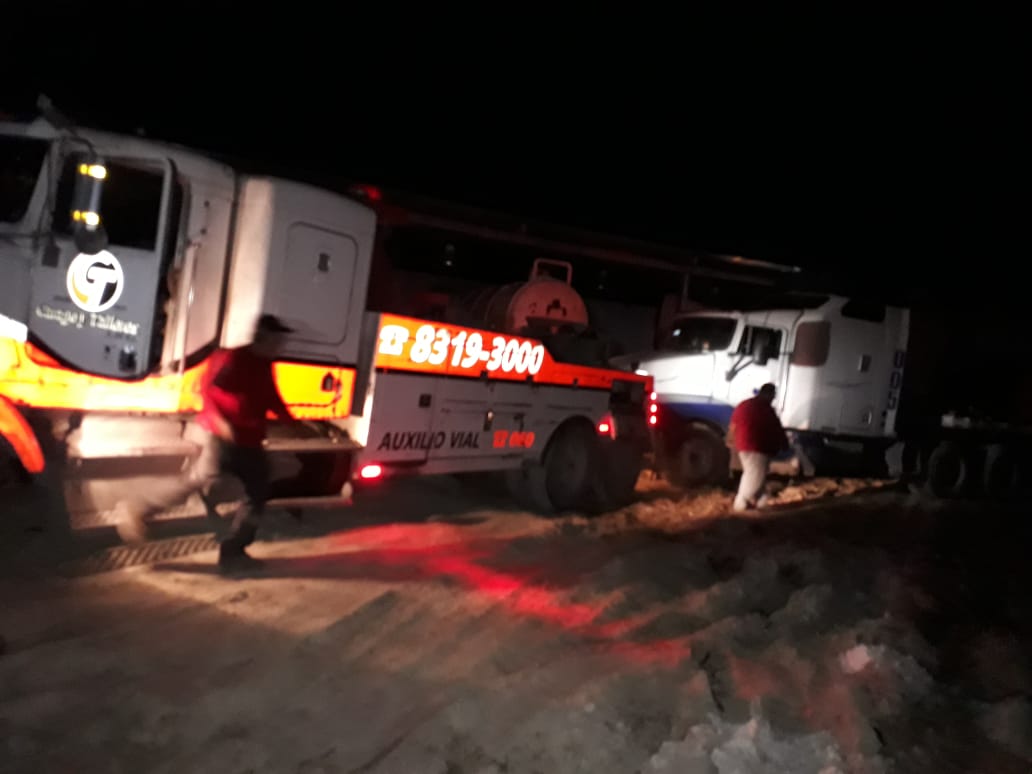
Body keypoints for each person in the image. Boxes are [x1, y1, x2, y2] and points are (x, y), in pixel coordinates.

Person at [115, 314, 296, 571]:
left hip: (249, 441)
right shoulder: (236, 360)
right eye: (277, 341)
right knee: (199, 480)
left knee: (256, 493)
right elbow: (209, 392)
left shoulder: (263, 364)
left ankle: (234, 552)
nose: (280, 346)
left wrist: (291, 421)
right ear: (263, 337)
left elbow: (270, 397)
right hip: (223, 438)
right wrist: (220, 422)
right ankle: (138, 509)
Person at [728, 383, 789, 512]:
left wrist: (730, 439)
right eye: (772, 395)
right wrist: (784, 444)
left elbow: (733, 425)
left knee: (755, 475)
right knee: (754, 475)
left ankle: (762, 501)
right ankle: (741, 503)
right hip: (758, 448)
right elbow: (777, 429)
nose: (773, 398)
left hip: (743, 446)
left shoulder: (744, 404)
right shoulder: (766, 409)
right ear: (768, 394)